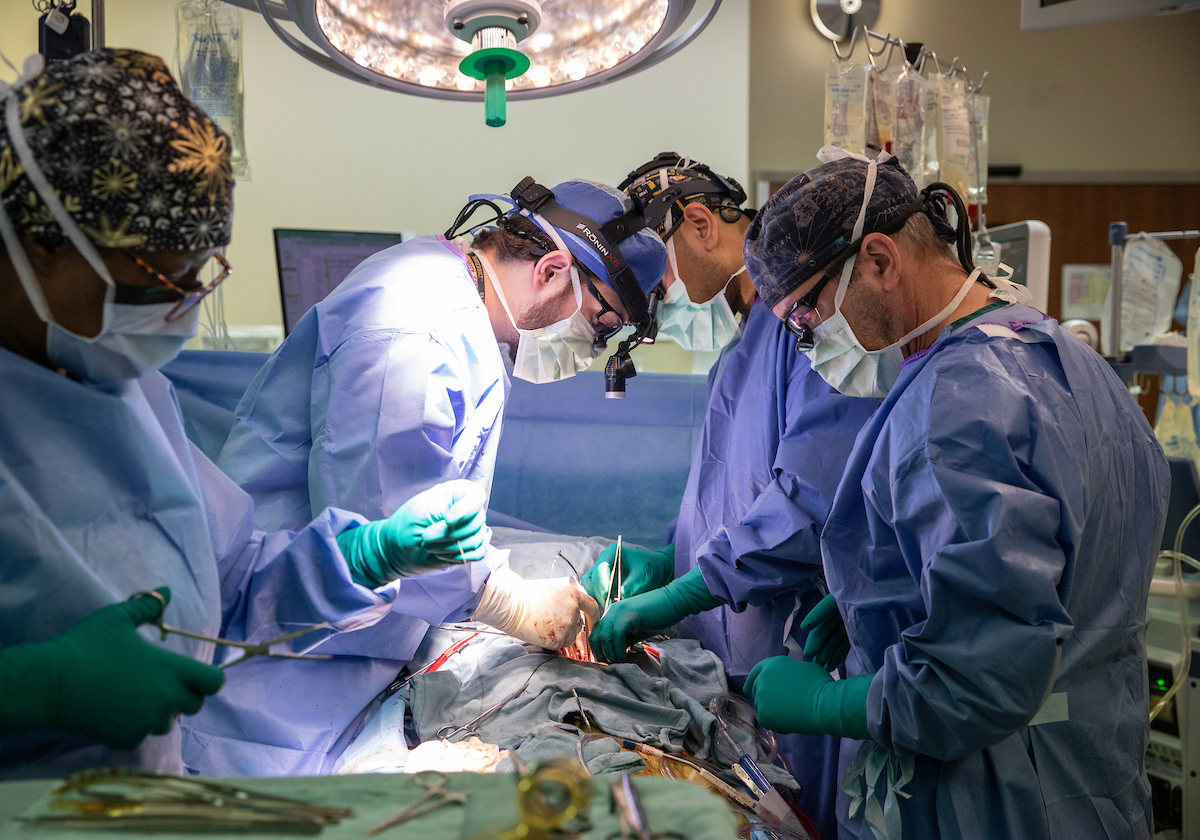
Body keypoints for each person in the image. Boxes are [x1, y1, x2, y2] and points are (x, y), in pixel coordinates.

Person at [0, 49, 494, 778]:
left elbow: (228, 585)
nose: (178, 307)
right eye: (158, 279)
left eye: (199, 275)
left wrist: (363, 556)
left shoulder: (122, 388)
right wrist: (38, 687)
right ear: (41, 244)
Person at [741, 147, 1170, 839]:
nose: (807, 344)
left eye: (807, 316)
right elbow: (1055, 582)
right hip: (1088, 784)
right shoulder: (1070, 361)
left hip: (991, 800)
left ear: (879, 260)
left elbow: (977, 683)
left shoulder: (960, 402)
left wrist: (827, 704)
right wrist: (885, 594)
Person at [194, 178, 665, 775]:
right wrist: (507, 599)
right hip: (276, 675)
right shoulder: (414, 329)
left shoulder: (457, 305)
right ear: (550, 271)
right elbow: (380, 527)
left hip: (344, 652)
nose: (594, 349)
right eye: (601, 325)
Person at [580, 154, 881, 838]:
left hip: (795, 669)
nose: (658, 302)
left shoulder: (814, 328)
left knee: (805, 822)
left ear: (699, 221)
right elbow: (725, 498)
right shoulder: (738, 351)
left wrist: (686, 591)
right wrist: (665, 561)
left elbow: (808, 505)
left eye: (660, 278)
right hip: (732, 683)